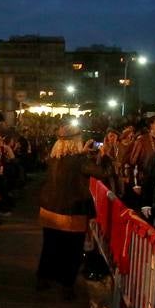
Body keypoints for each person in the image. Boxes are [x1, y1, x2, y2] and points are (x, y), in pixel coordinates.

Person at [37, 125, 102, 298]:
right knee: (72, 250)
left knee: (50, 245)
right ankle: (66, 285)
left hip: (50, 208)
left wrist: (82, 154)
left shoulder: (53, 158)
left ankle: (43, 279)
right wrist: (104, 156)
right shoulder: (79, 161)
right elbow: (102, 172)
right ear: (75, 141)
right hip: (72, 210)